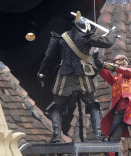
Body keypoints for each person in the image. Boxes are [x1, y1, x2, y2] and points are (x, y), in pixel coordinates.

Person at [37, 11, 117, 143]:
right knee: (93, 104)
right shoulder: (87, 37)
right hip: (82, 76)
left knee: (56, 106)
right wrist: (112, 32)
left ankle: (57, 135)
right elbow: (108, 42)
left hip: (65, 77)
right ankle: (97, 135)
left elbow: (48, 57)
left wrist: (42, 72)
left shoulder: (61, 38)